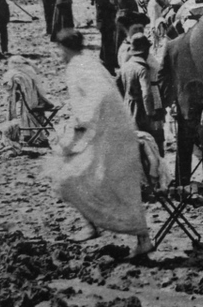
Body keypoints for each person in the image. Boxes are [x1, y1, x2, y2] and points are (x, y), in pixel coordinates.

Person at [44, 29, 154, 254]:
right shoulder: (86, 62)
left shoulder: (79, 66)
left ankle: (142, 239)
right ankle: (91, 225)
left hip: (111, 135)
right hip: (106, 133)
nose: (58, 54)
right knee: (69, 178)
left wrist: (81, 121)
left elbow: (100, 95)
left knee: (116, 186)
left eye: (58, 49)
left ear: (65, 48)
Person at [159, 33, 203, 209]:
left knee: (184, 149)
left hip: (184, 107)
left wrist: (171, 102)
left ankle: (183, 191)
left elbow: (163, 77)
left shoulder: (171, 45)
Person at [117, 33, 166, 154]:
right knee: (152, 144)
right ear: (144, 50)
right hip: (143, 110)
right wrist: (151, 113)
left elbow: (118, 87)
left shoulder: (125, 66)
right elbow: (146, 93)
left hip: (128, 106)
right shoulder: (142, 69)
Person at [91, 0, 119, 71]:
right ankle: (108, 64)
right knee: (108, 40)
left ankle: (104, 60)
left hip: (104, 16)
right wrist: (112, 5)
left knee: (106, 40)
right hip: (104, 17)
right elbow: (102, 3)